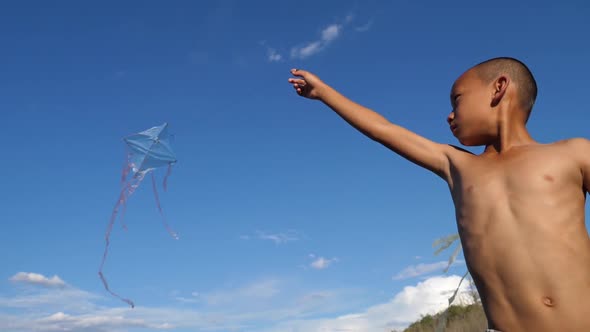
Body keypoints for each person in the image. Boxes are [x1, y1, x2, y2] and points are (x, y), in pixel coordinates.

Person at [287, 57, 590, 332]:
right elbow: (385, 129)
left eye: (456, 100)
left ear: (498, 88)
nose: (449, 115)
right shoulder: (457, 164)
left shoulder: (572, 153)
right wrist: (325, 94)